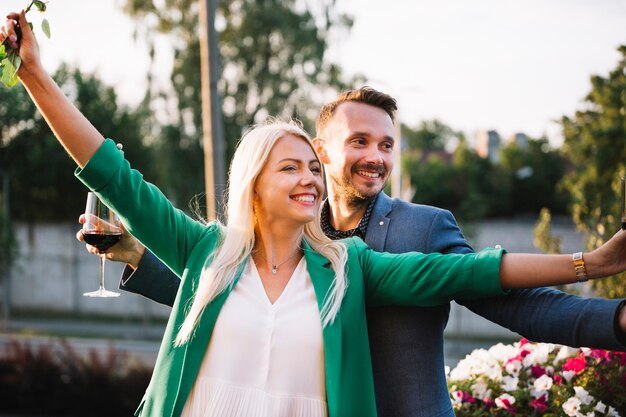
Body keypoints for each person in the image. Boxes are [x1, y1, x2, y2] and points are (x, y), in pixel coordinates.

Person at [6, 10, 626, 417]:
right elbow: (120, 181)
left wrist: (592, 269)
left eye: (387, 145)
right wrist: (33, 76)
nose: (374, 158)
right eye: (297, 164)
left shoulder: (365, 259)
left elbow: (476, 277)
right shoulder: (212, 252)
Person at [86, 90, 626, 414]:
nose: (376, 157)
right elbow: (236, 297)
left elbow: (512, 299)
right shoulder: (292, 225)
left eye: (387, 144)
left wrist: (612, 310)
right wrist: (138, 255)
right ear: (320, 152)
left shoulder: (425, 227)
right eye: (360, 142)